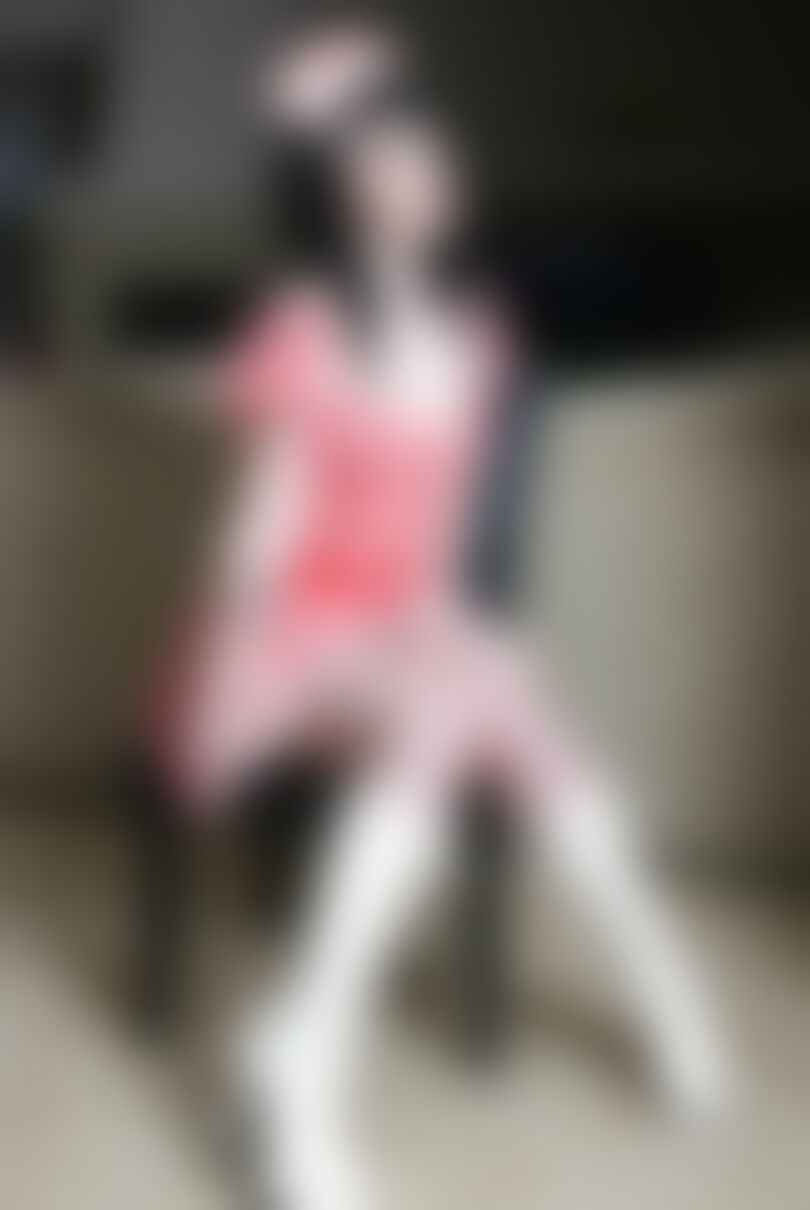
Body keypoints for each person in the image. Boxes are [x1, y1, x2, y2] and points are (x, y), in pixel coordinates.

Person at [137, 17, 730, 1210]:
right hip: (295, 629)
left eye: (427, 145)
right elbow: (264, 531)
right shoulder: (302, 330)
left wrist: (477, 626)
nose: (424, 169)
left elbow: (449, 525)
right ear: (336, 199)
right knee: (462, 707)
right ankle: (306, 1075)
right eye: (384, 158)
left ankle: (306, 1046)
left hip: (411, 625)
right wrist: (234, 662)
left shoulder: (481, 334)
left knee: (514, 720)